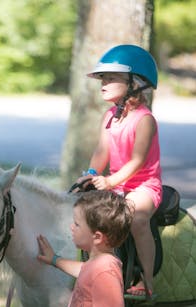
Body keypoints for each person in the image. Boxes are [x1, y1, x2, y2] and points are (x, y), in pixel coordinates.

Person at [78, 44, 162, 298]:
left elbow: (137, 160)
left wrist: (110, 180)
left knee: (135, 217)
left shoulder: (145, 119)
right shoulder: (109, 117)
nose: (103, 83)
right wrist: (91, 172)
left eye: (111, 78)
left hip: (144, 185)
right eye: (102, 78)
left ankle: (147, 281)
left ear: (134, 83)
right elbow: (102, 150)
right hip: (116, 183)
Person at [37, 190, 133, 306]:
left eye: (77, 224)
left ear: (97, 237)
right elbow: (83, 270)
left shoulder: (105, 272)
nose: (72, 227)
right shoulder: (98, 265)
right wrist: (54, 259)